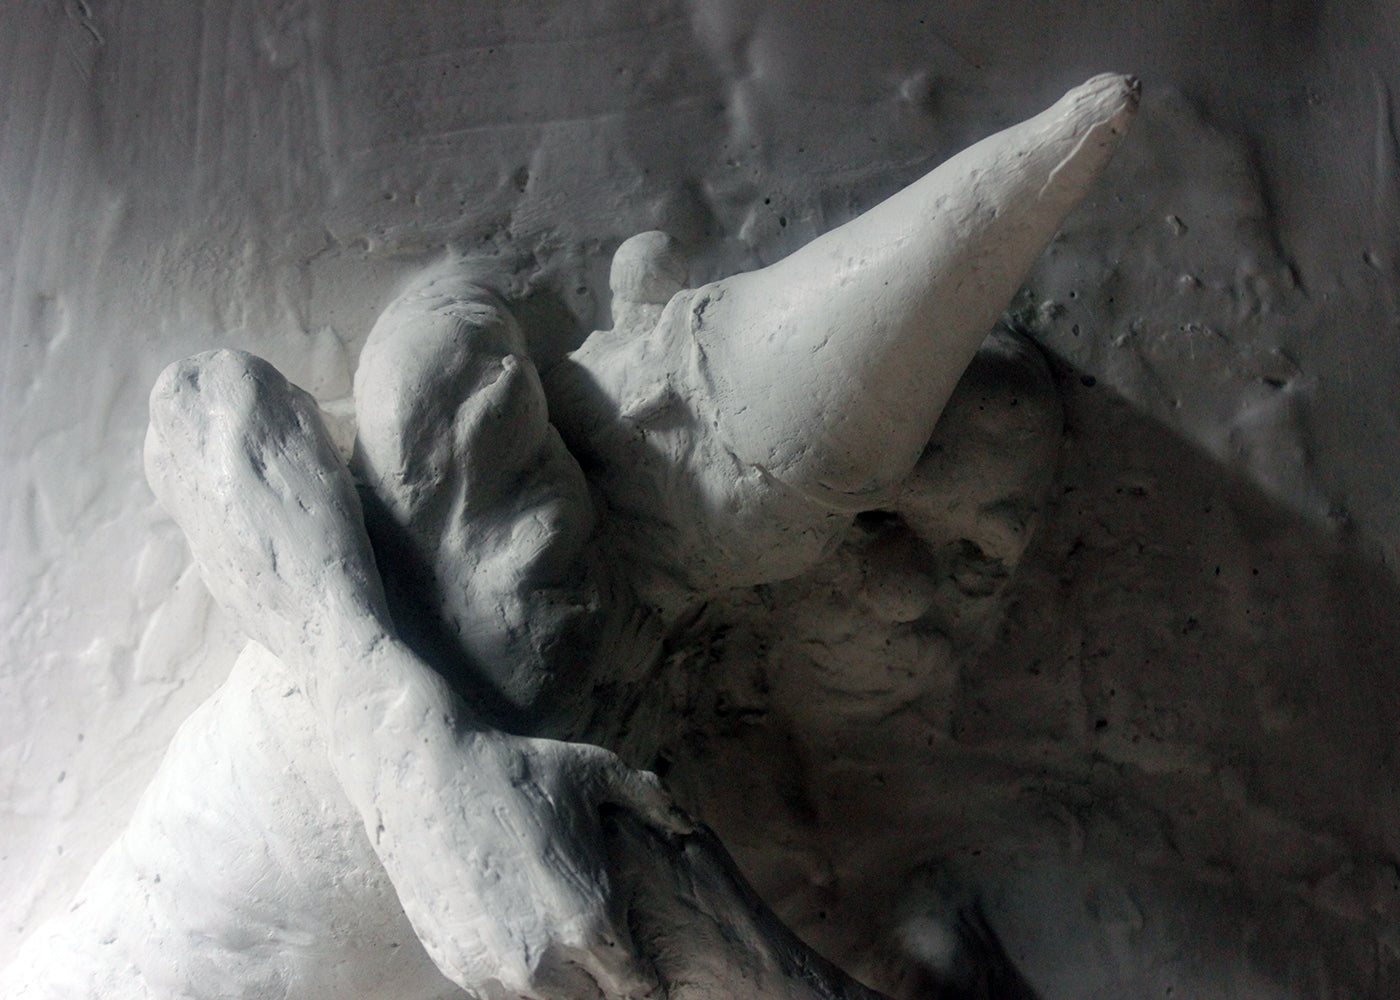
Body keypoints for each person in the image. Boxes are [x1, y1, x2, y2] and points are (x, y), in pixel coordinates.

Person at [0, 74, 1136, 999]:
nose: (904, 588)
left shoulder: (676, 741)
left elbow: (722, 929)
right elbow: (205, 411)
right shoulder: (471, 450)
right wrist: (410, 750)